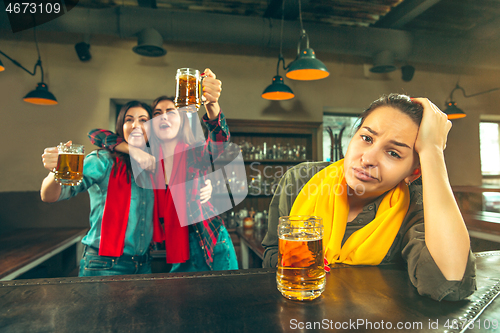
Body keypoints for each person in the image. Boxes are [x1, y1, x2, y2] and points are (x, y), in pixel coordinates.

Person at [262, 94, 476, 301]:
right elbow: (272, 251)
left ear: (414, 173)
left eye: (393, 153)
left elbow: (451, 283)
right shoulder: (300, 179)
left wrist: (433, 150)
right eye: (366, 138)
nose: (368, 158)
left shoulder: (415, 206)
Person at [88, 68, 238, 272]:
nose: (163, 117)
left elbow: (220, 142)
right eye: (157, 114)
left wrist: (211, 105)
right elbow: (96, 134)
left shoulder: (193, 153)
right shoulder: (146, 161)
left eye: (170, 112)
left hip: (210, 242)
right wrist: (132, 149)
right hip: (175, 250)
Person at [41, 101, 157, 276]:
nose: (136, 125)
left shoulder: (154, 166)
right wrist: (55, 171)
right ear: (121, 126)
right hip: (104, 265)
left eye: (143, 120)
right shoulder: (102, 160)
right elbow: (49, 196)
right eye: (129, 119)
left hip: (144, 265)